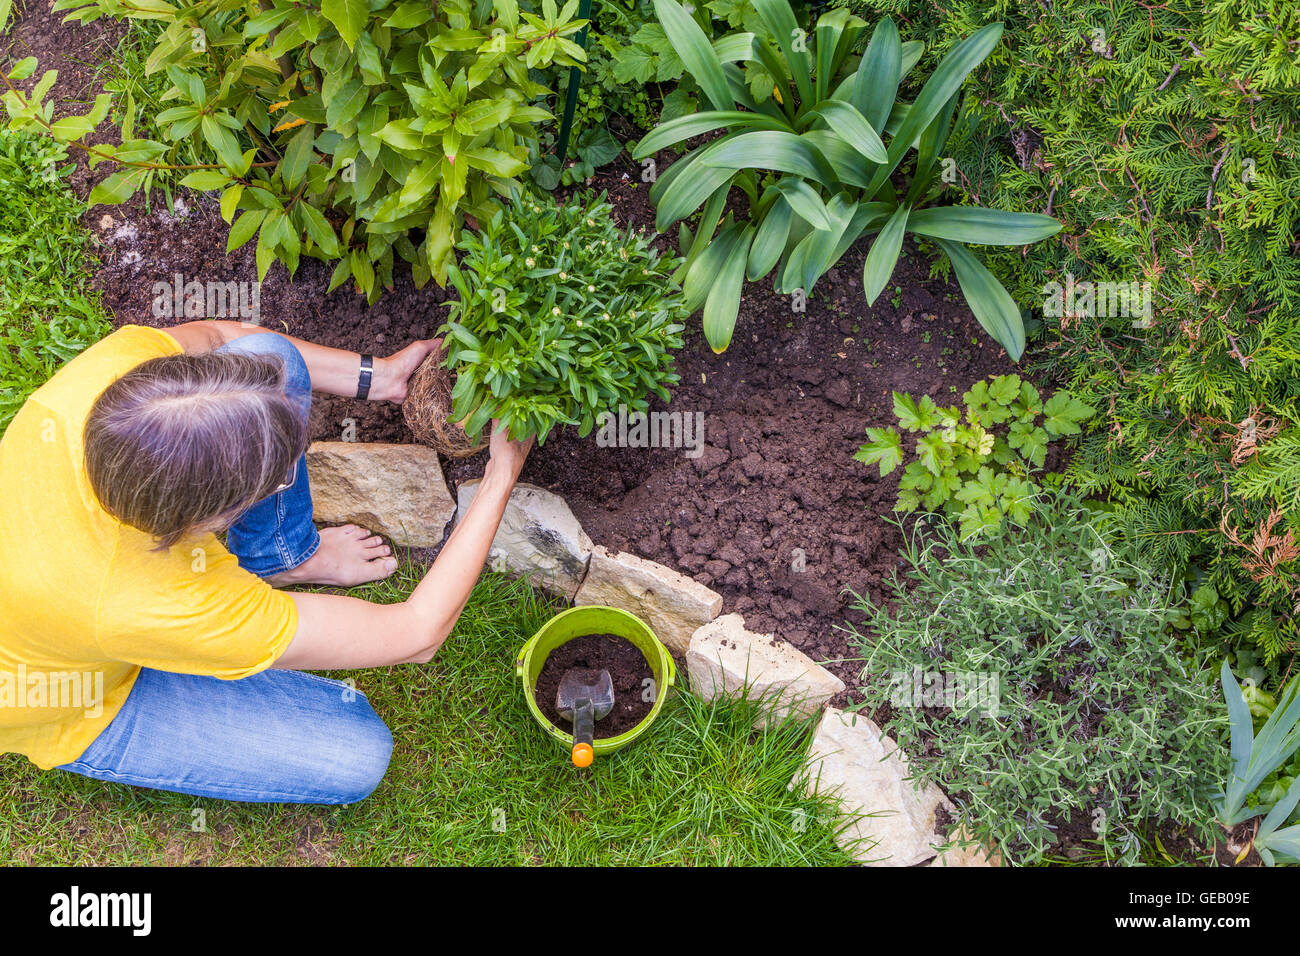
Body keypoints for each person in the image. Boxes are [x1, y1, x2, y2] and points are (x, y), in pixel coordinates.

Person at [0, 320, 531, 804]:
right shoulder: (168, 601)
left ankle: (283, 557)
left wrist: (382, 377)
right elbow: (417, 633)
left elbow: (217, 337)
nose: (286, 481)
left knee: (270, 361)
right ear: (203, 520)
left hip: (67, 605)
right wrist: (501, 475)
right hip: (72, 696)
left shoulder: (104, 384)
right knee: (353, 755)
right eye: (272, 481)